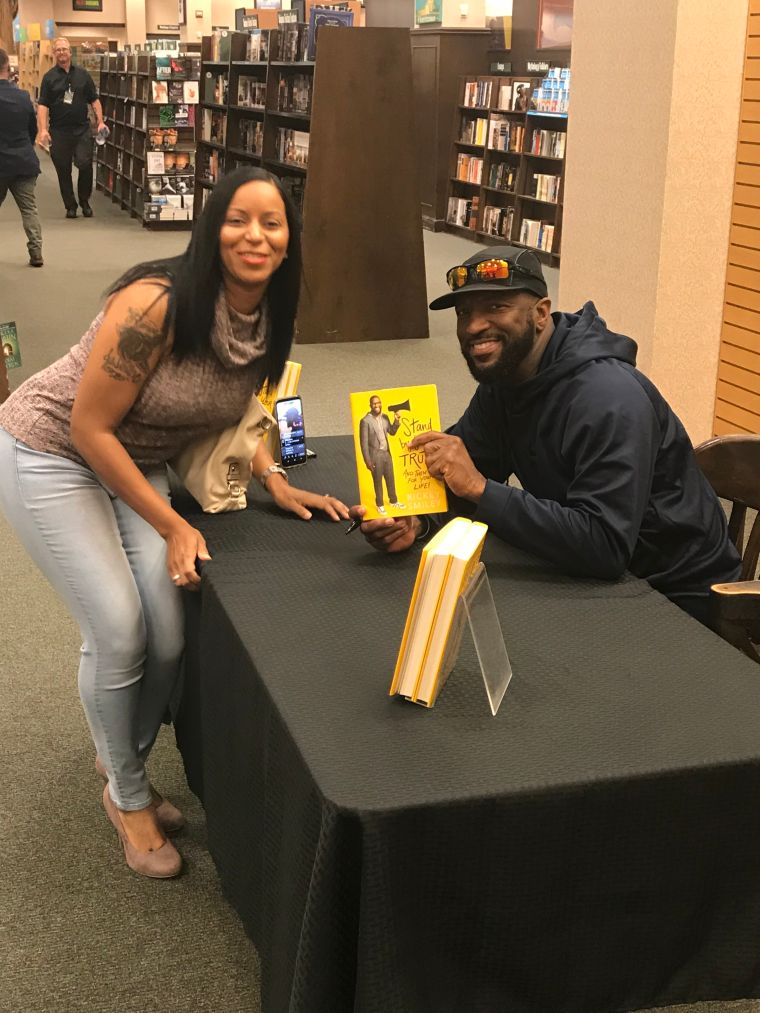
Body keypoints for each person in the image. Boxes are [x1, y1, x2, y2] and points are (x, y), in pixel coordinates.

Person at [0, 167, 349, 879]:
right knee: (119, 626)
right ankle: (126, 793)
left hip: (138, 459)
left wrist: (275, 481)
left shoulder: (271, 315)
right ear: (210, 226)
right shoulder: (155, 303)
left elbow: (235, 412)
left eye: (272, 223)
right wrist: (173, 526)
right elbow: (91, 426)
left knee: (168, 630)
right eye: (237, 219)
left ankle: (116, 745)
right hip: (54, 451)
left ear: (289, 242)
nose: (255, 235)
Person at [353, 245, 741, 625]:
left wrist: (480, 489)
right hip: (587, 575)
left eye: (496, 307)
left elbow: (604, 546)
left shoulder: (608, 399)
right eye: (464, 312)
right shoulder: (507, 377)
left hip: (678, 600)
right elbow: (463, 474)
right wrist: (417, 522)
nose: (472, 326)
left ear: (540, 313)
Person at [36, 37, 105, 218]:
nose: (62, 53)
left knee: (85, 164)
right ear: (54, 53)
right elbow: (42, 105)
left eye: (64, 49)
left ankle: (84, 200)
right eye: (58, 50)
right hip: (59, 131)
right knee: (63, 169)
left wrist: (100, 121)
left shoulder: (83, 75)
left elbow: (94, 100)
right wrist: (43, 129)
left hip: (82, 129)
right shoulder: (49, 78)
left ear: (70, 52)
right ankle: (71, 206)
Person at [0, 47, 43, 267]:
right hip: (23, 160)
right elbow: (32, 129)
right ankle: (36, 252)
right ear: (8, 67)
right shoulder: (23, 96)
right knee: (29, 209)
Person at [359, 395, 405, 514]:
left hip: (386, 454)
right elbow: (363, 444)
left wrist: (396, 420)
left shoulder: (384, 417)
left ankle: (393, 501)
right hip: (375, 456)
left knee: (390, 478)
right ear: (370, 405)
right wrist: (368, 462)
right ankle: (380, 505)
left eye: (378, 403)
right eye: (374, 403)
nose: (377, 405)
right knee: (378, 481)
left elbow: (392, 432)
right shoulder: (365, 421)